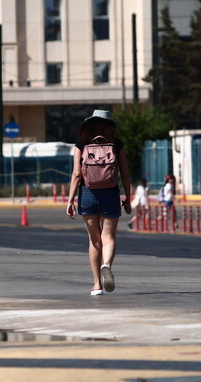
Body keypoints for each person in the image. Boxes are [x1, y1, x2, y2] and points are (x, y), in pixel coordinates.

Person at [66, 110, 132, 296]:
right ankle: (106, 265)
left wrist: (70, 200)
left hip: (87, 193)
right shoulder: (116, 144)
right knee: (108, 237)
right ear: (110, 124)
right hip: (110, 194)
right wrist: (127, 199)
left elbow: (77, 174)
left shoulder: (81, 143)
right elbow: (125, 175)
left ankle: (96, 285)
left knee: (94, 240)